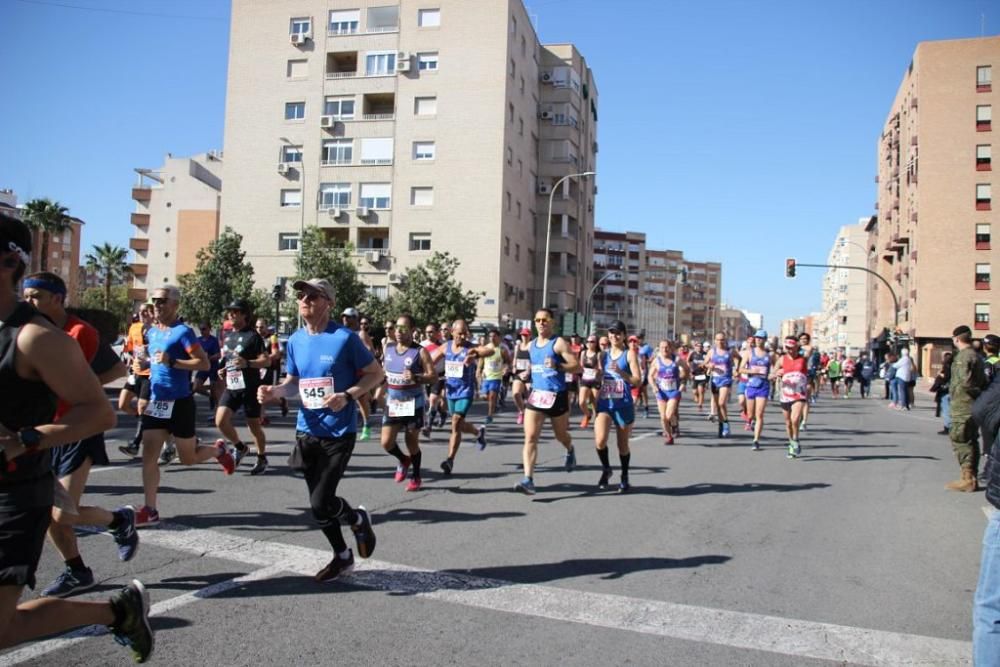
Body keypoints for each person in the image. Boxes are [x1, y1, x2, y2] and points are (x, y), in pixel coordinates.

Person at [0, 213, 152, 662]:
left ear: (10, 262)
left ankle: (115, 609)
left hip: (14, 489)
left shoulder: (37, 338)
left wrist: (24, 439)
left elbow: (98, 410)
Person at [21, 273, 139, 598]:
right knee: (49, 512)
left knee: (63, 513)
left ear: (56, 298)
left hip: (78, 429)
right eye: (26, 296)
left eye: (35, 296)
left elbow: (117, 370)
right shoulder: (31, 333)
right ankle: (77, 571)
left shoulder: (79, 332)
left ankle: (119, 520)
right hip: (44, 432)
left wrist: (81, 391)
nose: (28, 302)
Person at [258, 278, 381, 581]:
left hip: (339, 432)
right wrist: (274, 391)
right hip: (307, 430)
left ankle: (356, 518)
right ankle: (342, 555)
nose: (305, 300)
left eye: (313, 295)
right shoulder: (296, 340)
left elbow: (375, 374)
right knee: (318, 507)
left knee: (321, 501)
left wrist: (347, 395)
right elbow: (293, 383)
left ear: (329, 303)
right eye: (301, 294)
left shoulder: (344, 338)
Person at [134, 285, 230, 527]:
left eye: (163, 300)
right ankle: (150, 508)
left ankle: (219, 451)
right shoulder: (152, 332)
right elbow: (154, 368)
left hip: (180, 403)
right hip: (157, 402)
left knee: (187, 458)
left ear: (175, 304)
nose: (157, 304)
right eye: (155, 300)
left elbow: (203, 363)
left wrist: (173, 361)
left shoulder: (183, 332)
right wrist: (144, 378)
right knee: (149, 458)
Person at [515, 308, 580, 495]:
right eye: (537, 320)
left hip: (556, 396)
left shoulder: (558, 343)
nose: (541, 323)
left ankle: (569, 448)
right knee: (530, 437)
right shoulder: (532, 345)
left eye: (545, 320)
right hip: (537, 396)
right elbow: (537, 367)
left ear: (552, 322)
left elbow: (576, 367)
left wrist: (558, 365)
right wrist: (529, 374)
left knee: (561, 435)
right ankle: (528, 479)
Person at [380, 314, 436, 492]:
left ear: (412, 331)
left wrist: (416, 377)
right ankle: (403, 460)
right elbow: (384, 373)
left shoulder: (420, 352)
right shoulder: (388, 349)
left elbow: (433, 376)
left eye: (403, 328)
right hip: (394, 403)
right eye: (397, 327)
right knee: (386, 442)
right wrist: (380, 388)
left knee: (411, 442)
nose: (398, 331)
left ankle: (416, 476)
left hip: (413, 404)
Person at [215, 300, 271, 476]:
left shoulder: (253, 336)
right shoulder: (229, 336)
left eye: (235, 312)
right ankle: (240, 447)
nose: (231, 315)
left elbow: (266, 360)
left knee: (253, 426)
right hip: (232, 385)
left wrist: (248, 363)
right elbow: (231, 360)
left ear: (244, 314)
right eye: (229, 312)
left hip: (250, 387)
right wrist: (224, 369)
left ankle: (262, 458)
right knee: (220, 421)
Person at [440, 320, 491, 476]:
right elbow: (429, 358)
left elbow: (489, 351)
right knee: (459, 425)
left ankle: (449, 460)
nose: (461, 336)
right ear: (452, 332)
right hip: (451, 392)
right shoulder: (446, 347)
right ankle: (478, 433)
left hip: (465, 392)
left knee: (455, 423)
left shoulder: (470, 347)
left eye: (464, 333)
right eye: (459, 333)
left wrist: (475, 354)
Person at [595, 321, 642, 492]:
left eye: (617, 333)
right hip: (605, 402)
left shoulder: (629, 355)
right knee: (600, 440)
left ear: (623, 335)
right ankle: (607, 469)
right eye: (611, 333)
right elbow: (599, 377)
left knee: (622, 445)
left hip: (623, 404)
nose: (614, 336)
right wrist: (598, 376)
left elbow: (637, 380)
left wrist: (621, 373)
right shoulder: (603, 355)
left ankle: (624, 475)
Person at [945, 325, 987, 492]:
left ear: (956, 339)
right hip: (973, 405)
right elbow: (982, 382)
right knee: (970, 440)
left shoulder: (964, 357)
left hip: (963, 405)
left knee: (960, 439)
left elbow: (965, 382)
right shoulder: (977, 356)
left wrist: (967, 395)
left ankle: (967, 478)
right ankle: (971, 477)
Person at [117, 303, 154, 457]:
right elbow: (130, 349)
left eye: (146, 311)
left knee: (142, 407)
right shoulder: (134, 328)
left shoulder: (158, 330)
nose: (142, 313)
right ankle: (147, 422)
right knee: (123, 404)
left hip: (150, 375)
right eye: (140, 311)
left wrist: (150, 360)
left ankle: (135, 444)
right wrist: (130, 358)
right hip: (135, 373)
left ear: (152, 313)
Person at [341, 308, 373, 440]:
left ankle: (366, 425)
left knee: (361, 400)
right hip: (345, 370)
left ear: (355, 319)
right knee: (343, 398)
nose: (345, 319)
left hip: (359, 371)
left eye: (348, 317)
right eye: (343, 317)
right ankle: (345, 426)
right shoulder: (341, 332)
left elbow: (370, 351)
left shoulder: (361, 334)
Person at [649, 338, 687, 446]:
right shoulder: (657, 361)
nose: (664, 349)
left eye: (667, 347)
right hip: (661, 392)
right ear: (659, 349)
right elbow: (650, 376)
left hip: (674, 391)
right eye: (662, 347)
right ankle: (669, 436)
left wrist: (683, 382)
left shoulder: (677, 360)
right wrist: (654, 386)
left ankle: (674, 424)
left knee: (669, 415)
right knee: (663, 417)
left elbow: (686, 370)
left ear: (670, 348)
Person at [778, 335, 809, 459]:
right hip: (785, 394)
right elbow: (773, 372)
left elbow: (806, 374)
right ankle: (792, 443)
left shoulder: (803, 359)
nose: (789, 350)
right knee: (788, 423)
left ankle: (795, 439)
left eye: (791, 347)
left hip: (799, 393)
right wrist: (777, 373)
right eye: (787, 347)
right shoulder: (781, 359)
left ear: (797, 347)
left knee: (795, 419)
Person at [742, 329, 773, 451]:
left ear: (765, 340)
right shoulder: (749, 353)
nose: (758, 340)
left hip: (763, 386)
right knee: (750, 414)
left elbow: (774, 369)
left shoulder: (769, 355)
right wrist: (751, 371)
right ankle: (751, 421)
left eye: (761, 338)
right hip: (751, 385)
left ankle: (756, 440)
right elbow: (740, 369)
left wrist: (773, 374)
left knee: (759, 414)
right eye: (757, 338)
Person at [256, 318, 288, 426]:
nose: (259, 329)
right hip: (259, 369)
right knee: (260, 391)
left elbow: (277, 353)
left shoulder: (273, 338)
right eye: (257, 327)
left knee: (270, 392)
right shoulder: (256, 339)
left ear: (266, 327)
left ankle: (281, 402)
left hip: (271, 369)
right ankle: (262, 417)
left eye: (261, 327)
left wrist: (264, 360)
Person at [420, 323, 447, 437]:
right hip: (426, 376)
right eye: (427, 332)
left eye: (431, 332)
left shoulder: (443, 345)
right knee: (432, 403)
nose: (429, 334)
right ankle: (442, 413)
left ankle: (428, 426)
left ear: (437, 333)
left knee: (433, 399)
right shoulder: (421, 345)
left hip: (439, 376)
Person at [478, 329, 510, 425]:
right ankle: (495, 405)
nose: (492, 338)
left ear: (498, 337)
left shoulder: (502, 349)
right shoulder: (485, 348)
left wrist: (506, 368)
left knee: (492, 396)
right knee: (485, 396)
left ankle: (490, 416)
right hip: (486, 376)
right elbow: (481, 361)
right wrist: (478, 370)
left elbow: (508, 361)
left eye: (494, 336)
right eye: (490, 336)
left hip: (496, 377)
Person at [192, 322, 222, 413]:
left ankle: (216, 410)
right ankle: (210, 396)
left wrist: (210, 357)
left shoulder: (214, 340)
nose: (202, 331)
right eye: (201, 329)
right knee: (195, 387)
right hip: (203, 367)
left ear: (209, 329)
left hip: (213, 366)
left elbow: (218, 355)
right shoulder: (198, 340)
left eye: (204, 329)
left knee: (214, 388)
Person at [708, 333, 734, 437]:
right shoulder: (711, 352)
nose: (720, 342)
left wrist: (736, 370)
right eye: (718, 340)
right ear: (715, 341)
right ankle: (721, 424)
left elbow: (739, 360)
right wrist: (709, 365)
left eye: (722, 340)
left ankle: (726, 423)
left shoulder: (730, 351)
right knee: (718, 405)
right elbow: (704, 364)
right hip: (715, 380)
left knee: (722, 402)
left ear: (725, 340)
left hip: (726, 380)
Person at [577, 335, 601, 428]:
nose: (589, 343)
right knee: (582, 402)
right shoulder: (583, 353)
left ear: (596, 343)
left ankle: (597, 421)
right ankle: (587, 415)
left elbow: (600, 367)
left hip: (595, 380)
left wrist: (598, 370)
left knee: (594, 402)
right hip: (585, 379)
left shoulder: (598, 354)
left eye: (592, 342)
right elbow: (580, 365)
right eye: (588, 341)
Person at [931, 352, 953, 436]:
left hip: (945, 391)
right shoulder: (953, 367)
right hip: (949, 390)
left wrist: (940, 374)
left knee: (946, 410)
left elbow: (946, 377)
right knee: (947, 409)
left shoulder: (947, 367)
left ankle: (948, 427)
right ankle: (949, 426)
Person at [688, 341, 709, 413]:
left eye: (700, 346)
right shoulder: (693, 354)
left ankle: (700, 405)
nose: (699, 348)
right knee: (694, 392)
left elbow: (709, 362)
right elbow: (688, 361)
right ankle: (696, 397)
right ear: (695, 347)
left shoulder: (705, 355)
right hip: (695, 374)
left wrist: (705, 367)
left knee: (701, 391)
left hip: (702, 374)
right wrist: (690, 369)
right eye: (697, 346)